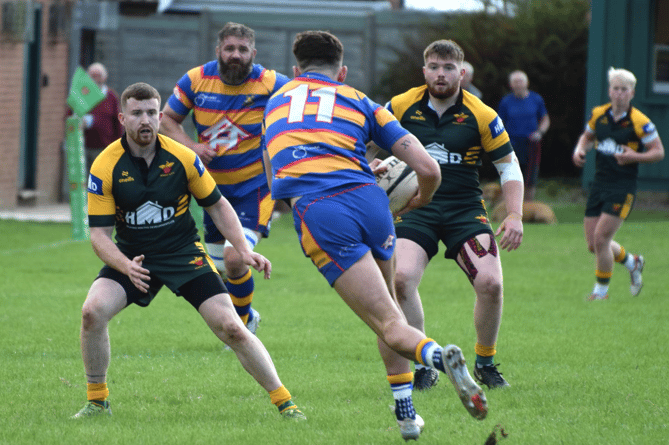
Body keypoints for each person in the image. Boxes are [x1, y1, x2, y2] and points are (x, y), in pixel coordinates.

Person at [262, 30, 488, 441]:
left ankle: (438, 357)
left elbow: (277, 173)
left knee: (386, 321)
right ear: (342, 71)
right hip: (372, 204)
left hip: (322, 211)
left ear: (295, 71)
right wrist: (419, 199)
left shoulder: (275, 101)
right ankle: (406, 414)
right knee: (390, 315)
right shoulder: (361, 101)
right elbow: (430, 169)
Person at [72, 82, 305, 420]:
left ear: (160, 115)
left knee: (232, 327)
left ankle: (286, 403)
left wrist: (242, 249)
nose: (146, 120)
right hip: (133, 259)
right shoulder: (106, 165)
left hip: (183, 253)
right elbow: (99, 235)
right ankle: (97, 402)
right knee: (92, 312)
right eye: (137, 113)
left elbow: (218, 206)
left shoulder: (183, 157)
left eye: (152, 112)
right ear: (122, 118)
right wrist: (124, 265)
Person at [371, 39, 524, 392]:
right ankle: (423, 360)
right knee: (402, 279)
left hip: (464, 209)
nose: (441, 74)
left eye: (449, 68)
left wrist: (514, 213)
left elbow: (508, 166)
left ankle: (485, 362)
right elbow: (362, 146)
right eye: (435, 67)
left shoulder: (482, 114)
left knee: (491, 283)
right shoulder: (398, 106)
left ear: (463, 73)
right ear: (424, 71)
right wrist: (368, 166)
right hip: (414, 208)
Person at [160, 23, 291, 333]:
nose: (236, 55)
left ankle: (242, 326)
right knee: (220, 269)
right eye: (230, 49)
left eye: (243, 50)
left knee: (235, 259)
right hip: (212, 192)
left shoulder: (271, 82)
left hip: (255, 188)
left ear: (253, 53)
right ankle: (248, 315)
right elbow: (167, 120)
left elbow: (300, 107)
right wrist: (192, 147)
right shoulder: (195, 80)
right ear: (218, 51)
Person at [572, 67, 664, 301]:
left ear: (632, 93)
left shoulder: (640, 121)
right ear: (609, 91)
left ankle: (600, 293)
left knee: (602, 239)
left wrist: (634, 157)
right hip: (599, 183)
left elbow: (658, 152)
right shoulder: (599, 114)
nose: (619, 93)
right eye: (616, 88)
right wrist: (580, 149)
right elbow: (588, 136)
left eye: (624, 89)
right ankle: (633, 262)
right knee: (594, 244)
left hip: (622, 187)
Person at [497, 70, 550, 201]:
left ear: (527, 83)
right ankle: (510, 206)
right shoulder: (506, 101)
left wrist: (540, 132)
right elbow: (499, 122)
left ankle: (527, 207)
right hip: (511, 144)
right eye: (515, 82)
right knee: (510, 174)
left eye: (521, 81)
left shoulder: (536, 99)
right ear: (511, 84)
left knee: (530, 176)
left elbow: (545, 119)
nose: (518, 84)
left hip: (531, 143)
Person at [80, 63, 123, 173]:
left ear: (104, 77)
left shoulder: (111, 96)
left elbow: (117, 123)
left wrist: (117, 146)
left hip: (103, 147)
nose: (95, 79)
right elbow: (70, 115)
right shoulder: (81, 94)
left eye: (98, 76)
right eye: (92, 76)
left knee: (100, 177)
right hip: (82, 146)